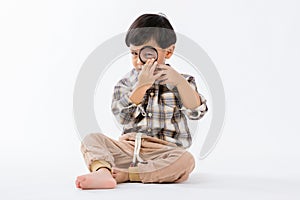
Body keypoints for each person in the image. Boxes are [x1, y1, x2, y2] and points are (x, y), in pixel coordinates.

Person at [75, 13, 208, 189]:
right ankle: (103, 172)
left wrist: (179, 83)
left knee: (186, 161)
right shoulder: (126, 83)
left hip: (164, 152)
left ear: (168, 51)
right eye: (133, 53)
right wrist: (141, 86)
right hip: (128, 147)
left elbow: (196, 112)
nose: (138, 61)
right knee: (91, 139)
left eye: (146, 53)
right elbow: (123, 117)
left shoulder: (183, 82)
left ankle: (129, 174)